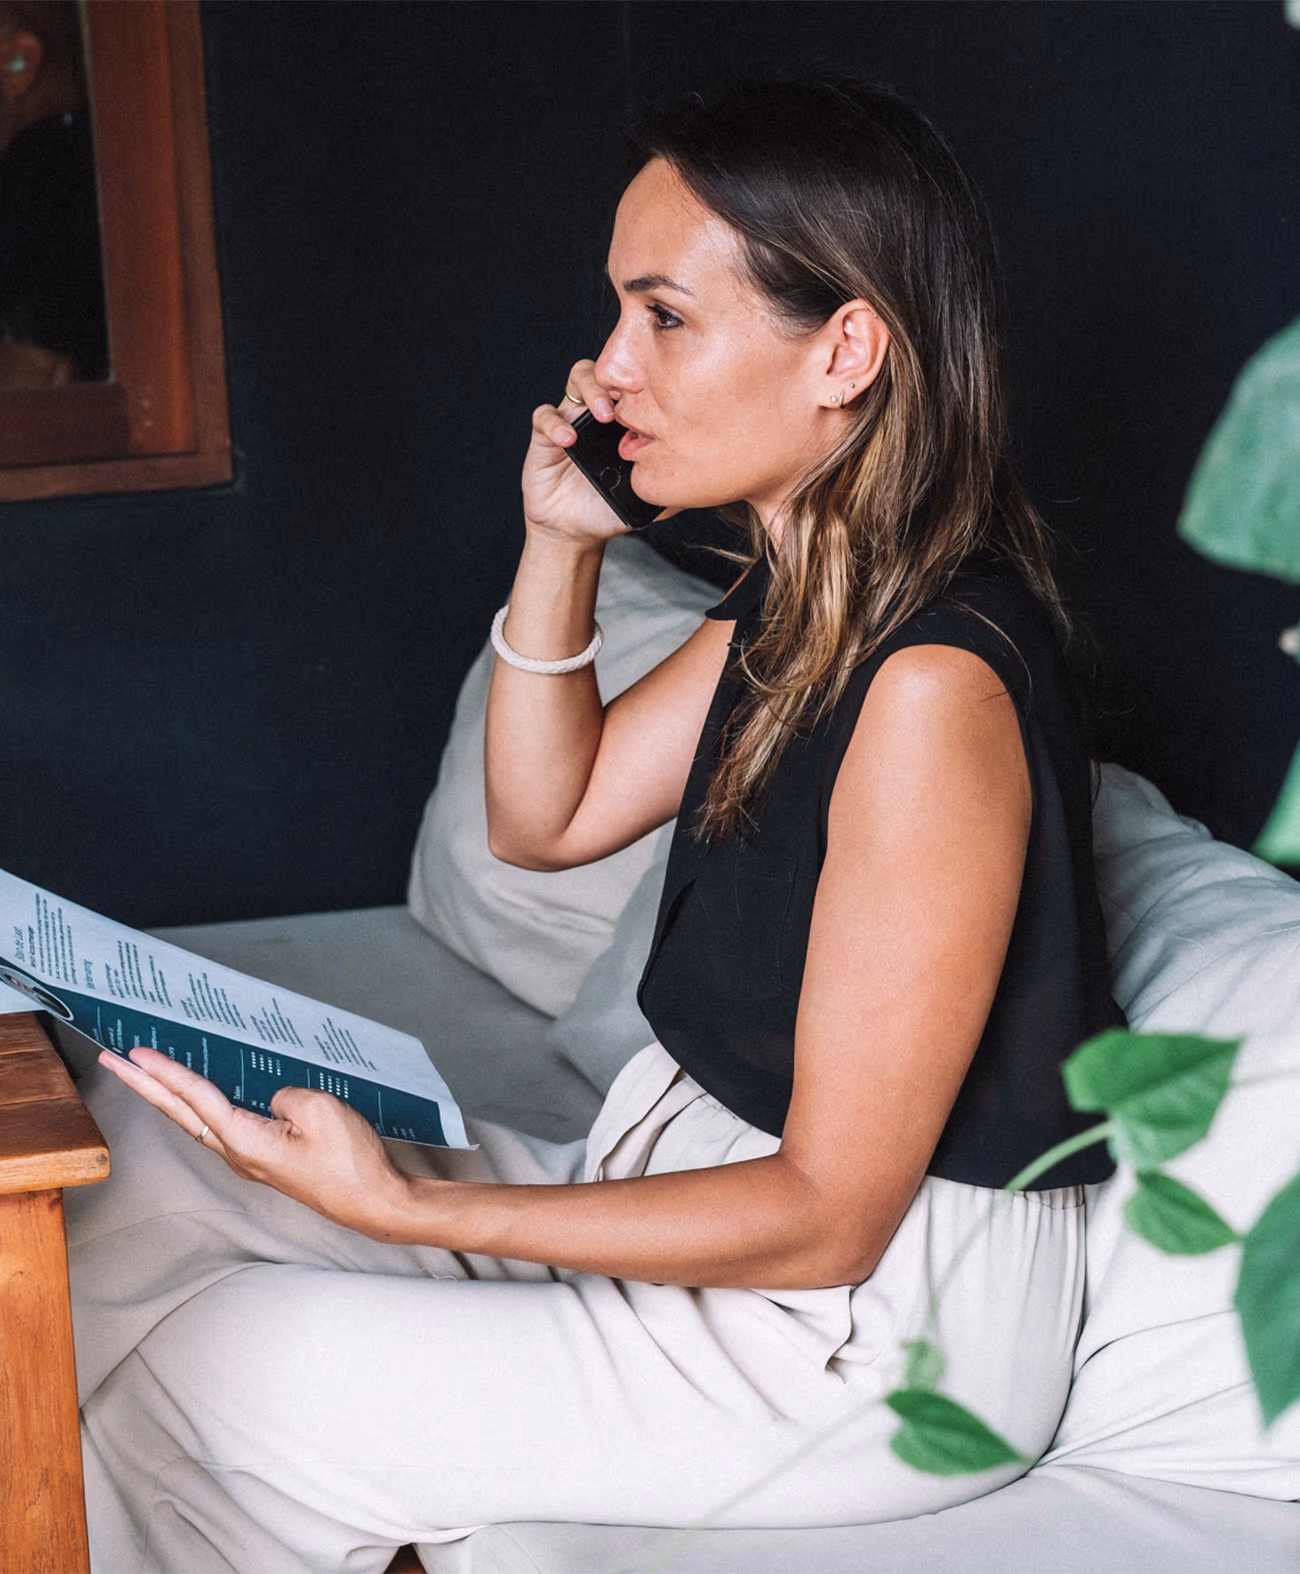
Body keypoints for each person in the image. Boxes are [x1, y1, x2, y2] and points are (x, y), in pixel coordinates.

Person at [66, 76, 1122, 1573]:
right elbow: (543, 820)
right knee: (138, 1164)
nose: (605, 368)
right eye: (616, 314)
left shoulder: (935, 690)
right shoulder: (811, 596)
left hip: (870, 1338)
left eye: (664, 318)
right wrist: (558, 543)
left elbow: (830, 1215)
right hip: (702, 1202)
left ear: (847, 348)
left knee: (221, 1366)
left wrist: (411, 1203)